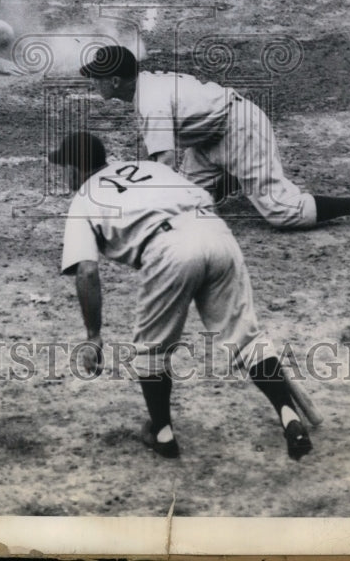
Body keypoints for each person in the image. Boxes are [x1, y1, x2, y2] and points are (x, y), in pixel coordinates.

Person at [50, 131, 315, 461]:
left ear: (76, 170)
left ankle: (162, 433)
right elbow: (204, 193)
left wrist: (93, 335)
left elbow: (87, 272)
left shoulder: (84, 199)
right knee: (246, 339)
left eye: (66, 168)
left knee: (151, 350)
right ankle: (289, 415)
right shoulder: (150, 169)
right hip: (216, 232)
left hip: (167, 249)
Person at [78, 45, 350, 233]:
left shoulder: (151, 101)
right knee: (186, 207)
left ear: (115, 81)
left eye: (97, 78)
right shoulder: (146, 86)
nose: (93, 82)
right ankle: (230, 179)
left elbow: (163, 164)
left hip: (239, 130)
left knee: (282, 212)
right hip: (208, 139)